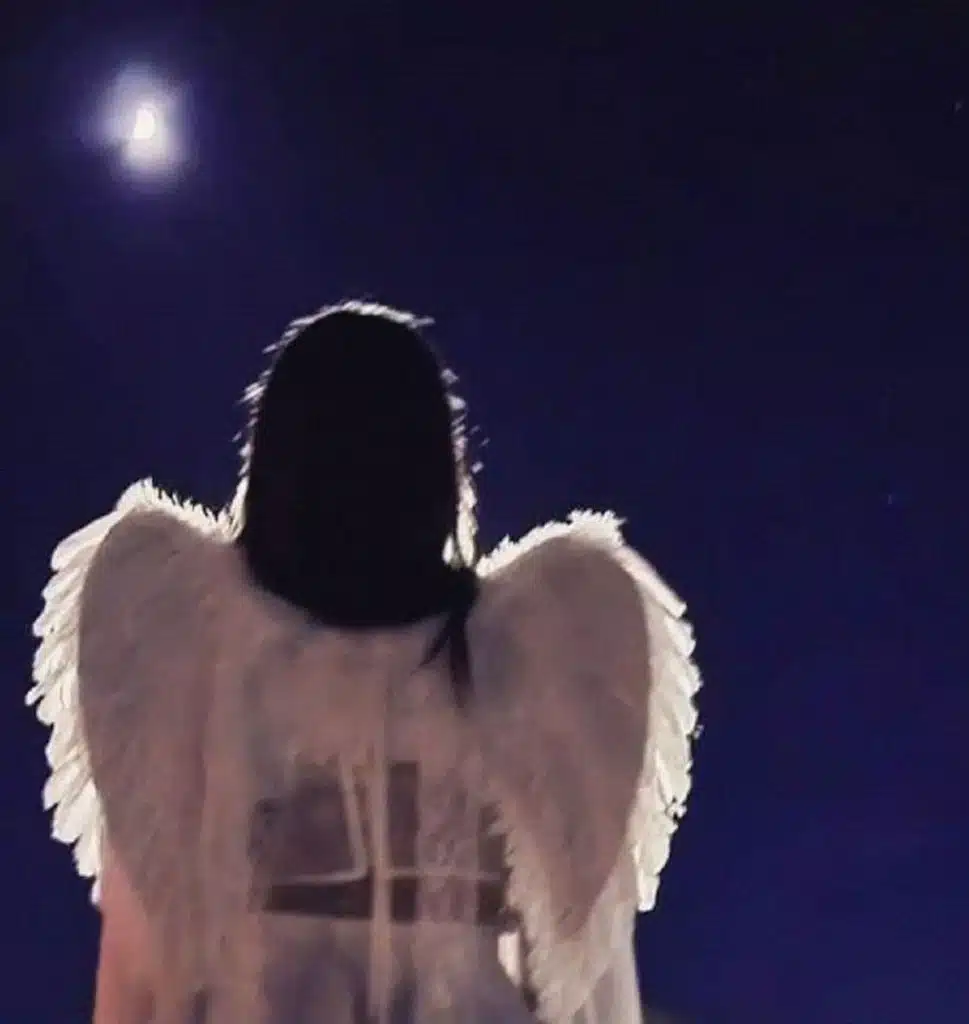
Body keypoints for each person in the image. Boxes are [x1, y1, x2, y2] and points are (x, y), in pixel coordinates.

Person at [29, 301, 702, 1024]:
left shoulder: (197, 657)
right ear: (436, 471)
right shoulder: (524, 667)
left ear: (276, 464)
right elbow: (576, 982)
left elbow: (141, 966)